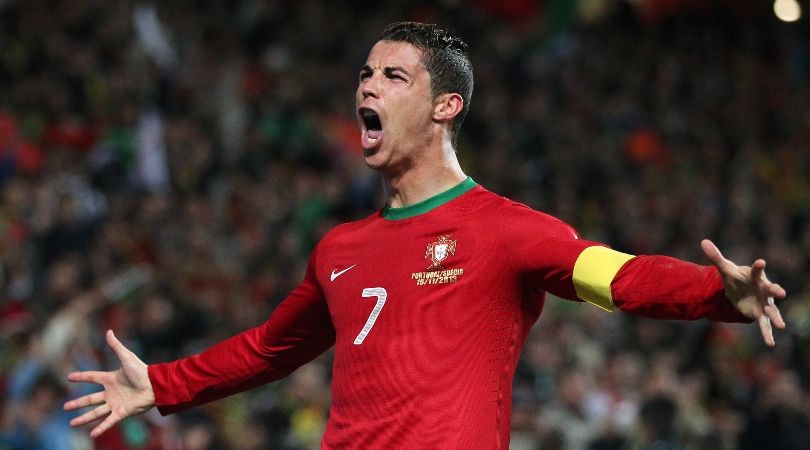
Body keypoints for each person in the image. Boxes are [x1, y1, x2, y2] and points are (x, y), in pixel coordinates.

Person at [64, 22, 786, 449]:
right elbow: (269, 348)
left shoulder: (506, 230)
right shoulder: (339, 249)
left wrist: (715, 295)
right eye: (365, 73)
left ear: (446, 105)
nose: (367, 87)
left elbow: (616, 276)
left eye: (394, 76)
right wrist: (160, 383)